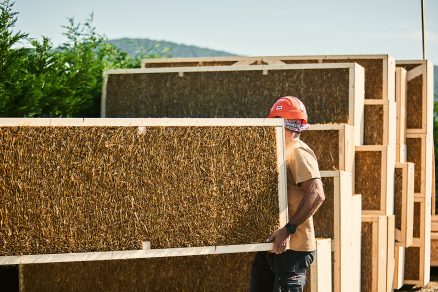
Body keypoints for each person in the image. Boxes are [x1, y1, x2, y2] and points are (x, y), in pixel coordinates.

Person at [249, 96, 325, 292]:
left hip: (293, 248)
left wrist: (288, 229)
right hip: (273, 244)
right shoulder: (280, 150)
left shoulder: (298, 151)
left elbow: (317, 194)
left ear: (282, 122)